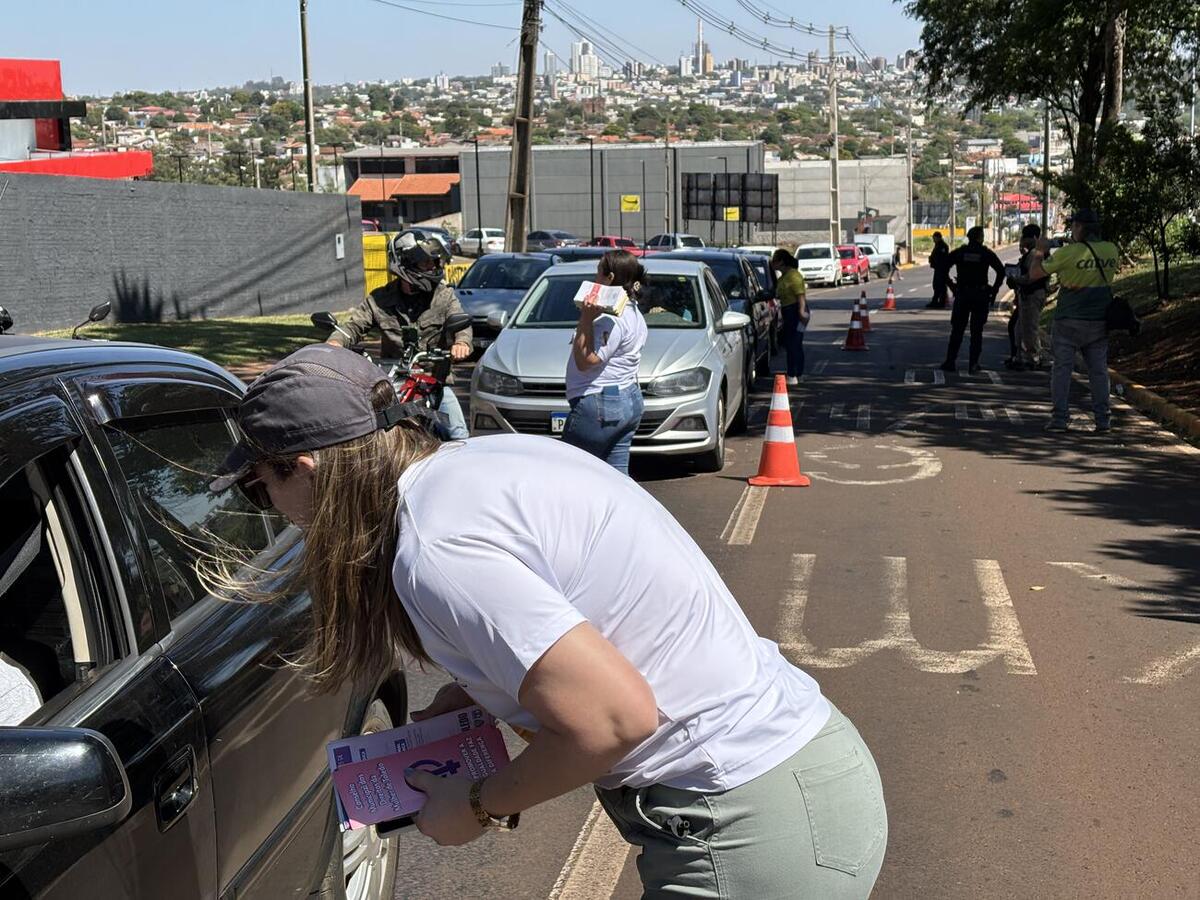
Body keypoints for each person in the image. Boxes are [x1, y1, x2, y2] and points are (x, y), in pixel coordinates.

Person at [206, 344, 888, 899]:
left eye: (258, 487)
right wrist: (482, 689)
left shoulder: (435, 549)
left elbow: (617, 719)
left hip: (746, 827)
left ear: (304, 468)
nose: (269, 505)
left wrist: (476, 805)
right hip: (798, 775)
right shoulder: (475, 465)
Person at [327, 232, 472, 439]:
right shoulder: (380, 299)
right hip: (392, 382)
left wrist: (462, 342)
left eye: (434, 262)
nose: (432, 267)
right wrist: (334, 343)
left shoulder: (443, 295)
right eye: (425, 263)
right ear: (404, 264)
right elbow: (354, 326)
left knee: (458, 434)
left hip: (433, 382)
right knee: (367, 431)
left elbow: (460, 323)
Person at [1028, 208, 1118, 432]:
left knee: (1062, 369)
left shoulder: (1067, 253)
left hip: (1069, 320)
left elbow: (1035, 274)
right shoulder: (1111, 250)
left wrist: (1040, 251)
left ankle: (1060, 419)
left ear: (1079, 227)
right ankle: (1103, 420)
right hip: (1099, 321)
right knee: (1098, 371)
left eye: (1073, 226)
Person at [562, 250, 648, 475]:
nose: (594, 279)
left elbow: (586, 361)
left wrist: (586, 319)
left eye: (598, 273)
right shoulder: (633, 312)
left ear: (609, 278)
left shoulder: (610, 320)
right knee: (616, 478)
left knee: (569, 473)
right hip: (627, 398)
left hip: (600, 403)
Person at [939, 226, 1005, 375]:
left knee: (957, 330)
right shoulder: (985, 253)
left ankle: (950, 361)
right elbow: (1001, 271)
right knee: (977, 332)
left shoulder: (960, 252)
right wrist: (993, 290)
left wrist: (952, 286)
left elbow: (943, 268)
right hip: (980, 295)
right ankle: (973, 364)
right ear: (980, 238)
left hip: (963, 294)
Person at [1006, 224, 1049, 370]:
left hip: (1033, 294)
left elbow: (1032, 277)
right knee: (1019, 328)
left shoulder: (1036, 254)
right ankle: (1020, 358)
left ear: (1034, 238)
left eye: (1026, 237)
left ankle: (1035, 359)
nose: (1023, 240)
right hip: (1026, 294)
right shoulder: (1031, 253)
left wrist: (1016, 279)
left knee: (1030, 328)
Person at [772, 248, 810, 386]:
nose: (772, 264)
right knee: (790, 343)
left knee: (794, 343)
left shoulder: (794, 276)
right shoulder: (783, 277)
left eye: (774, 261)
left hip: (796, 310)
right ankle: (796, 373)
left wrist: (801, 313)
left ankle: (794, 374)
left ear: (781, 262)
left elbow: (800, 296)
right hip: (788, 311)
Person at [925, 231, 951, 309]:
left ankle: (941, 302)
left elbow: (942, 258)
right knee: (936, 285)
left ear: (938, 237)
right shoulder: (938, 245)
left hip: (941, 269)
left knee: (941, 286)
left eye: (934, 237)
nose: (933, 239)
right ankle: (935, 301)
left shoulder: (943, 246)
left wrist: (935, 261)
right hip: (938, 268)